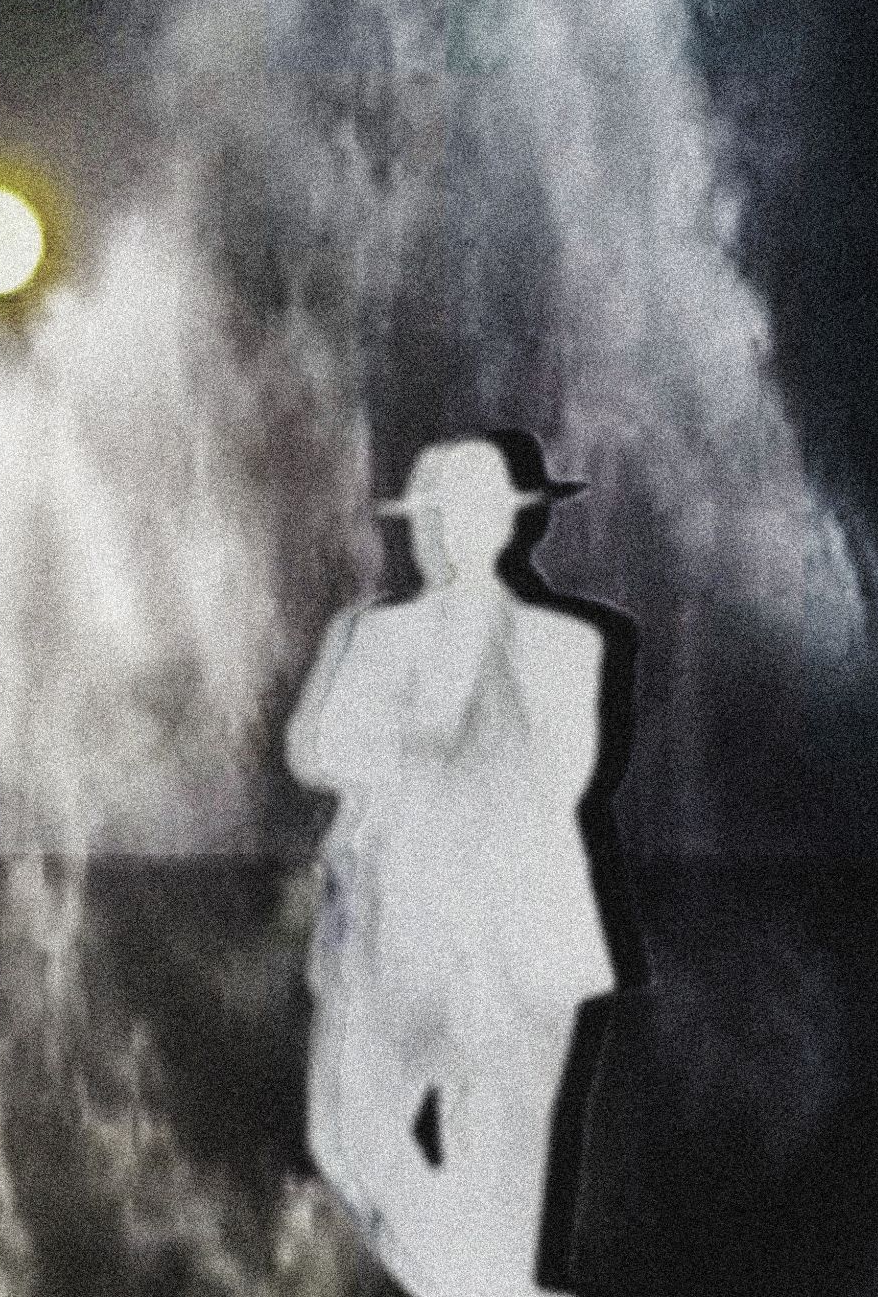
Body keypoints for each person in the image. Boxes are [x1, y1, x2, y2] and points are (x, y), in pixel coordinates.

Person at [286, 437, 615, 1297]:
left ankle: (485, 1284)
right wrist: (420, 731)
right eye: (430, 519)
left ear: (506, 524)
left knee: (504, 1174)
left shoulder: (567, 645)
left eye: (463, 515)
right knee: (347, 1139)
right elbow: (317, 749)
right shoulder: (373, 636)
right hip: (397, 930)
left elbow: (561, 778)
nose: (442, 534)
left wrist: (411, 746)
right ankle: (470, 1284)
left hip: (519, 943)